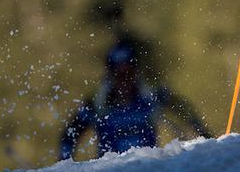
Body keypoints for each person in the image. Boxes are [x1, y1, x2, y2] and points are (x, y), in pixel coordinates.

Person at [58, 39, 212, 159]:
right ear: (110, 75)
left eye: (129, 73)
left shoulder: (152, 96)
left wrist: (208, 140)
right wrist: (65, 165)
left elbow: (186, 112)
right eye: (119, 75)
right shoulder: (96, 104)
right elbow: (69, 136)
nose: (124, 81)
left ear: (136, 72)